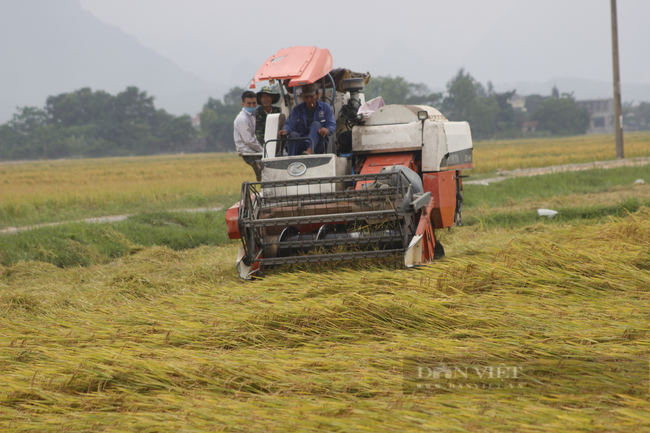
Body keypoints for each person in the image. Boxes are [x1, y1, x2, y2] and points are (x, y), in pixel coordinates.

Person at [278, 83, 336, 155]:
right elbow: (289, 124)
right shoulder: (297, 110)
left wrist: (326, 130)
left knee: (316, 124)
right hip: (301, 144)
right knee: (293, 135)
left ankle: (309, 150)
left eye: (311, 96)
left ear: (317, 94)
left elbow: (332, 125)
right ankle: (291, 158)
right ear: (303, 96)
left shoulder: (326, 108)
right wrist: (285, 131)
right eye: (306, 97)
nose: (309, 99)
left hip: (318, 146)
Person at [234, 90, 263, 181]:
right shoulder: (243, 119)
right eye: (249, 103)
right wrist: (263, 151)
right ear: (243, 104)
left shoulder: (251, 116)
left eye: (254, 103)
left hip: (253, 150)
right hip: (248, 152)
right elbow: (248, 140)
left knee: (263, 174)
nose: (252, 106)